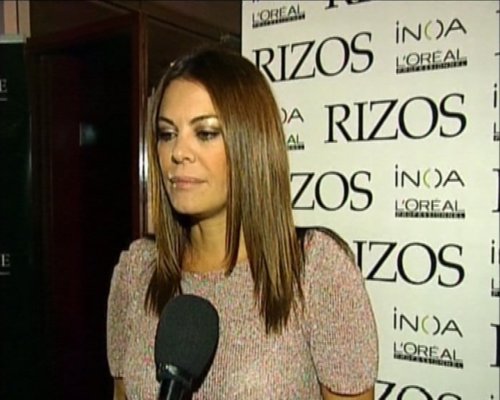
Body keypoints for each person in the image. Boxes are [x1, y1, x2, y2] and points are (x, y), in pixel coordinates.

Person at [107, 46, 378, 400]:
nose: (178, 152)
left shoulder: (315, 268)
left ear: (251, 143)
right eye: (167, 133)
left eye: (205, 133)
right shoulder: (137, 270)